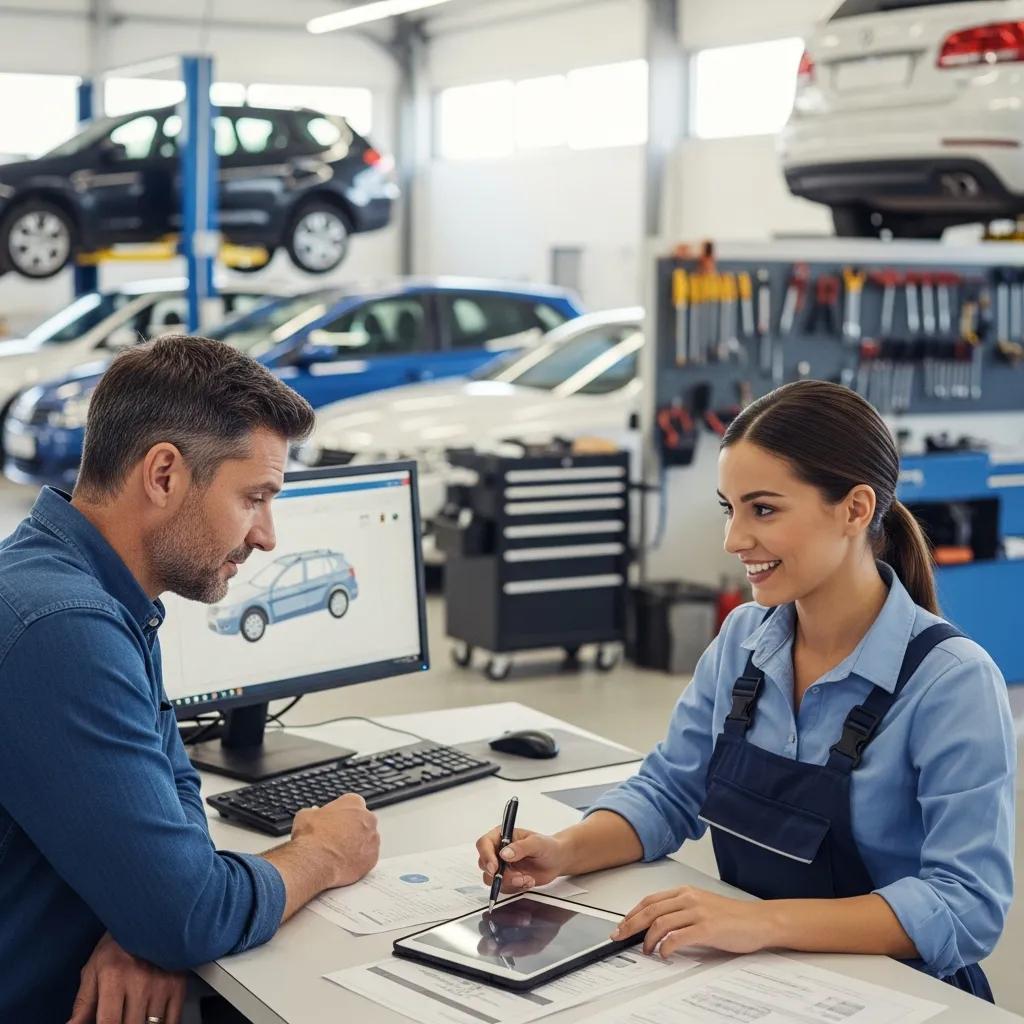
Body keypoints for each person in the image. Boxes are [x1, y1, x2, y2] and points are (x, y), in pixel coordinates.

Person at [477, 380, 1015, 1001]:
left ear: (855, 509)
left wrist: (761, 921)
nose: (734, 540)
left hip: (896, 994)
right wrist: (562, 851)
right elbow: (670, 790)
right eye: (728, 509)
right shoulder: (743, 640)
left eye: (763, 509)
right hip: (757, 978)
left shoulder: (951, 682)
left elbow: (965, 906)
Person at [0, 335, 382, 1023]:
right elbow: (192, 910)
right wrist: (320, 854)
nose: (267, 535)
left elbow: (182, 815)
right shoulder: (65, 627)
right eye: (254, 497)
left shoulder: (92, 593)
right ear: (165, 475)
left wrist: (145, 924)